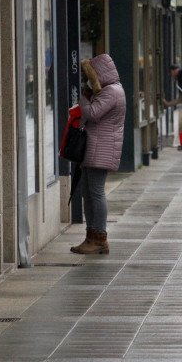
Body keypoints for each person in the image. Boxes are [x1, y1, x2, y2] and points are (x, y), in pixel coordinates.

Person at [70, 54, 126, 255]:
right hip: (96, 147)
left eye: (89, 76)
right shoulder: (114, 90)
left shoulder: (111, 91)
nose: (87, 80)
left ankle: (99, 237)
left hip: (100, 148)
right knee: (88, 192)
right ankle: (91, 236)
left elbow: (91, 113)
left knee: (95, 192)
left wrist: (84, 98)